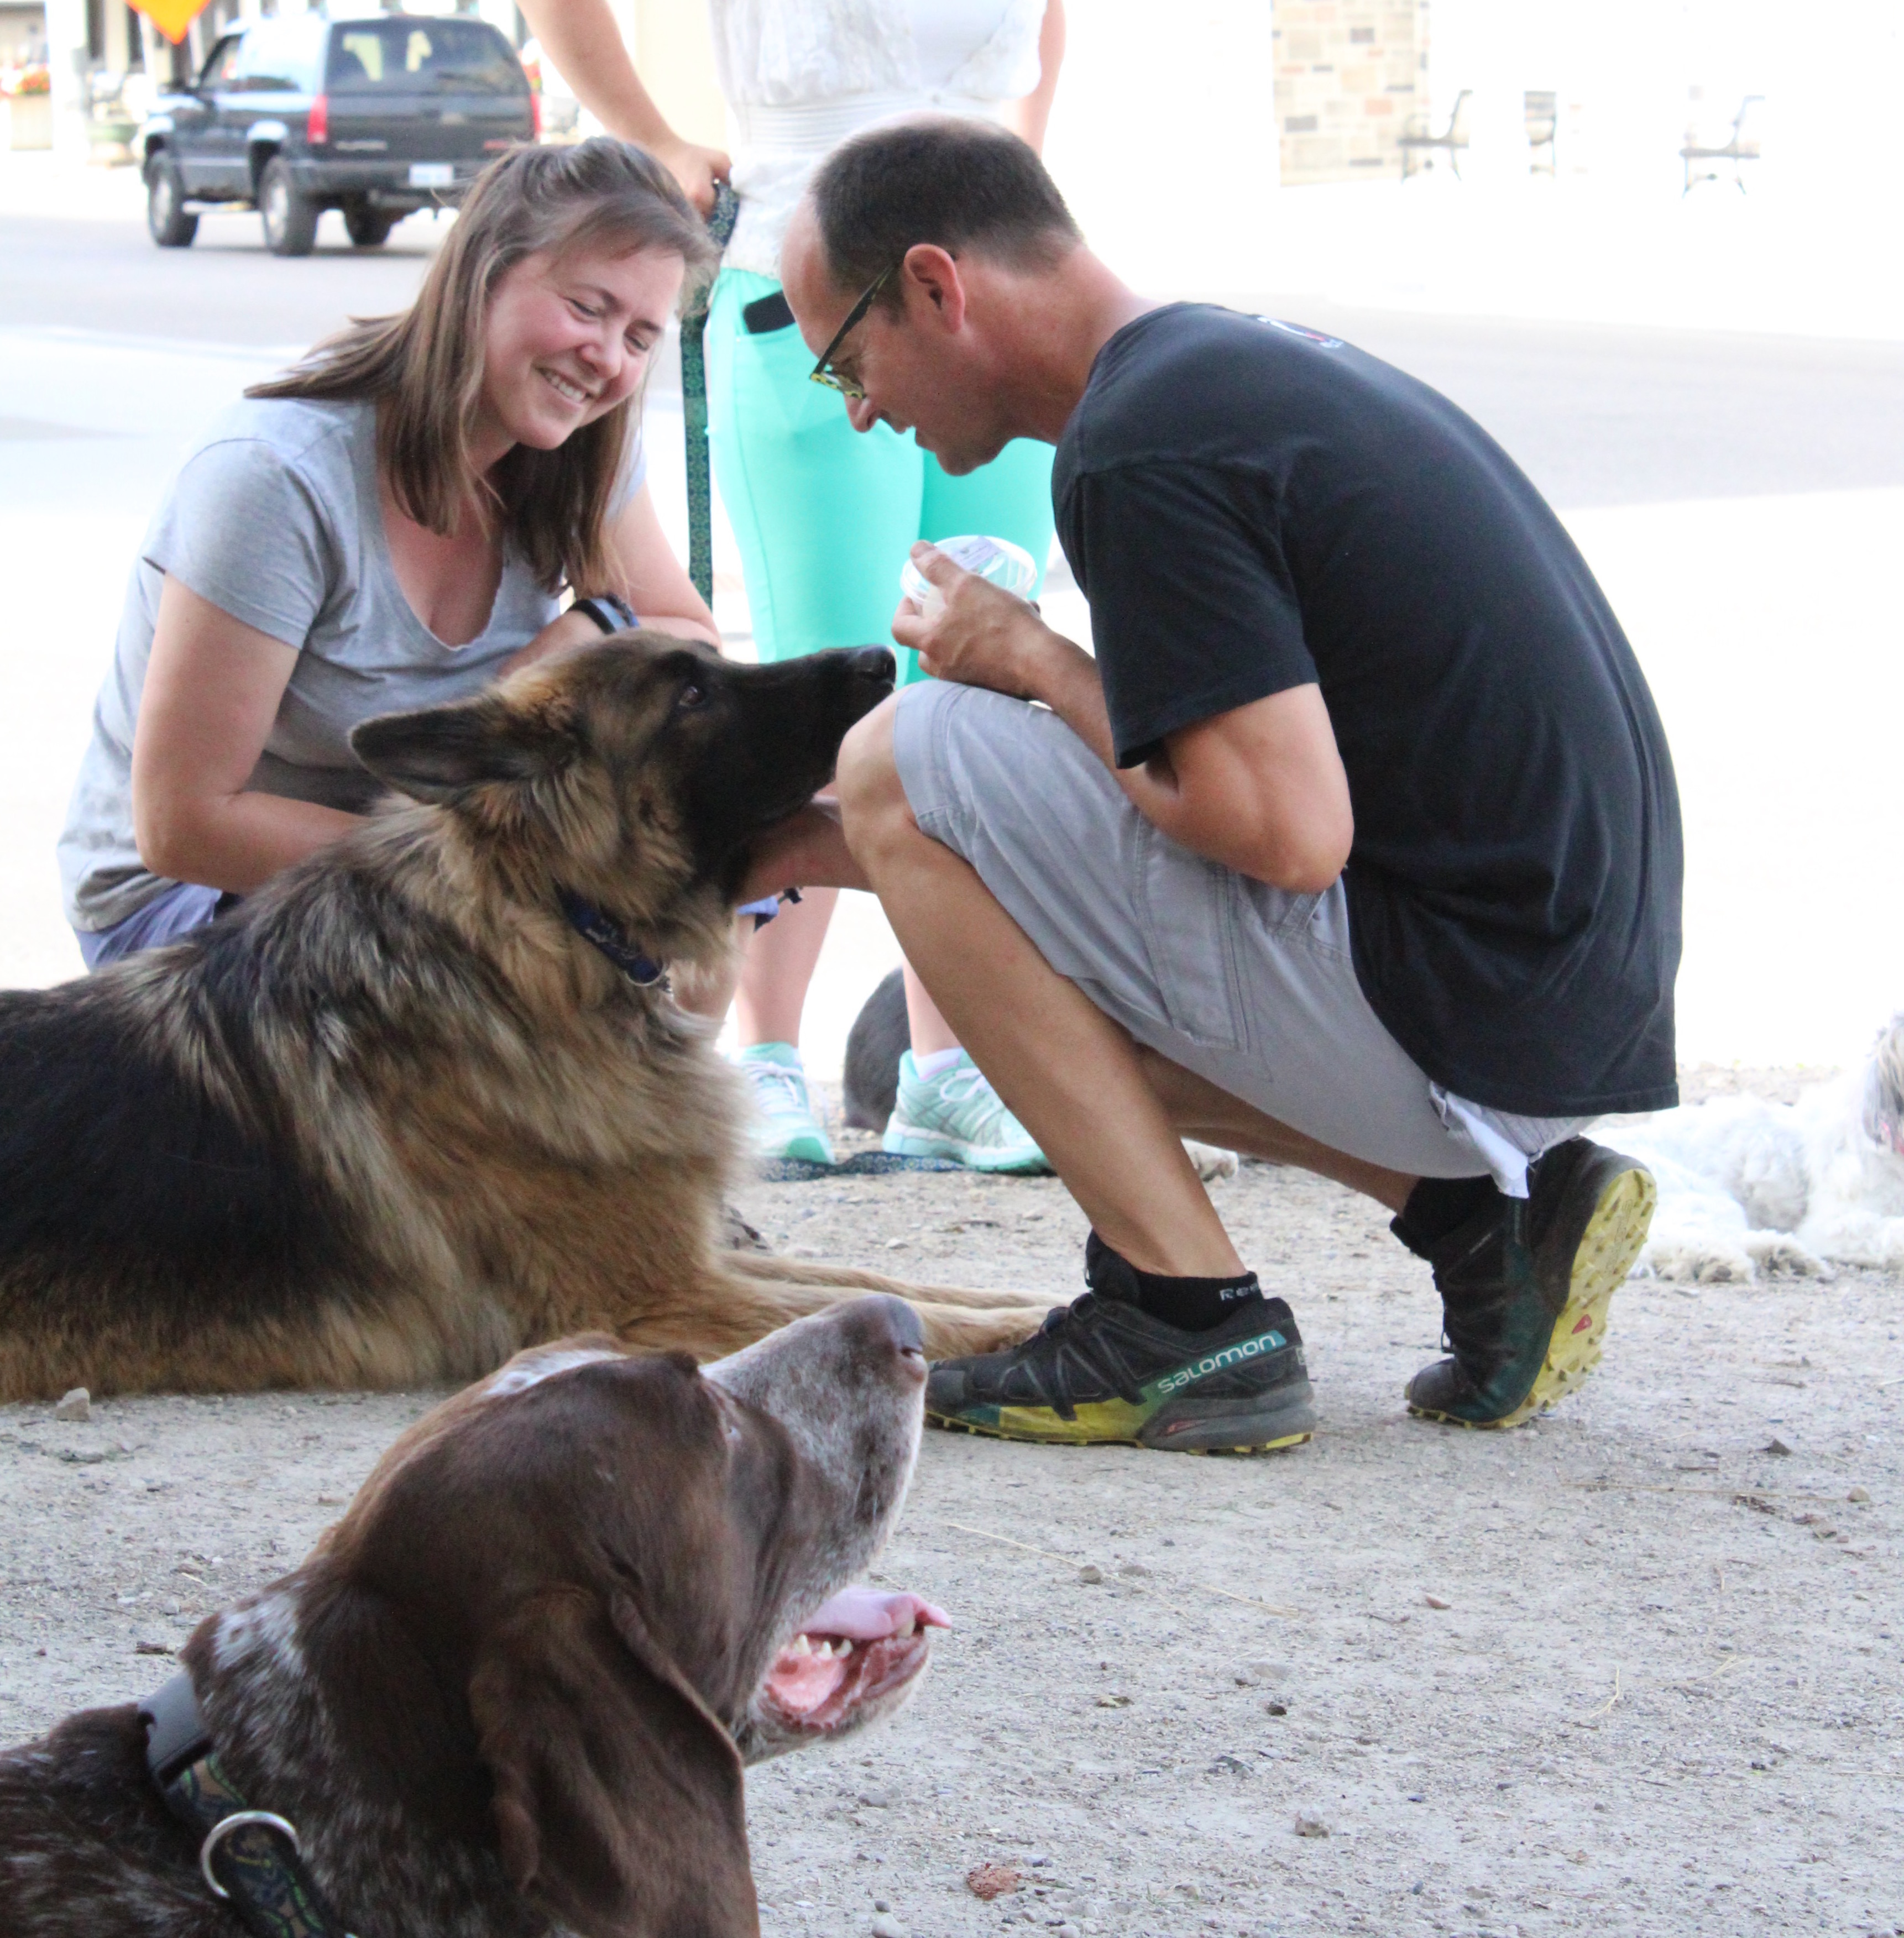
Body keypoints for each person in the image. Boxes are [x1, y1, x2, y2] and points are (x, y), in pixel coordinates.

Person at [754, 117, 1682, 1450]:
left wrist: (1032, 660)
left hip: (1476, 1009)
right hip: (1548, 998)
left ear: (936, 286)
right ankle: (1484, 1225)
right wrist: (802, 844)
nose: (858, 408)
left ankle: (1187, 1321)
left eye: (849, 357)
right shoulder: (1220, 369)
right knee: (1013, 953)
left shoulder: (1141, 442)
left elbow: (1284, 834)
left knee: (904, 760)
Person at [515, 0, 1066, 1175]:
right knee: (819, 688)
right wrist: (651, 134)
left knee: (983, 679)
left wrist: (1025, 163)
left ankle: (951, 1062)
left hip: (999, 289)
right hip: (805, 286)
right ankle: (765, 1050)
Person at [60, 140, 720, 968]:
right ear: (483, 273)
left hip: (430, 855)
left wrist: (588, 630)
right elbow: (183, 824)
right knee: (544, 970)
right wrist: (507, 877)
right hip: (189, 900)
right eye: (589, 309)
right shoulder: (276, 477)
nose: (609, 359)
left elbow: (689, 638)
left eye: (641, 337)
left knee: (716, 870)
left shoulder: (583, 444)